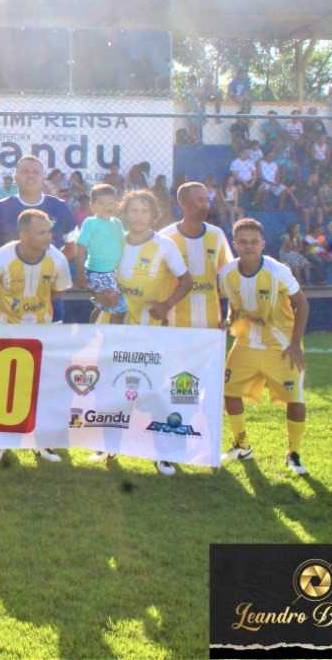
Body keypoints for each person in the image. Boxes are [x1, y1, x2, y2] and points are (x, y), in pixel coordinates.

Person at [96, 190, 193, 476]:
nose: (138, 217)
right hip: (115, 325)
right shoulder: (113, 243)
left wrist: (166, 305)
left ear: (153, 215)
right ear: (123, 214)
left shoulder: (164, 245)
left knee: (154, 393)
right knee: (113, 390)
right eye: (133, 211)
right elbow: (100, 280)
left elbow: (187, 282)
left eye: (144, 211)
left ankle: (163, 454)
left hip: (149, 331)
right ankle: (110, 449)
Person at [0, 209, 71, 465]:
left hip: (42, 336)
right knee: (3, 390)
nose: (48, 236)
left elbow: (58, 293)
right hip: (5, 334)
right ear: (24, 233)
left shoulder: (58, 259)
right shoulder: (0, 258)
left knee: (41, 390)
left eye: (49, 230)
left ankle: (42, 444)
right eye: (42, 232)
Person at [220, 218, 311, 476]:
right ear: (235, 244)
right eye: (243, 242)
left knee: (295, 399)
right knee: (229, 391)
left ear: (262, 244)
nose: (248, 247)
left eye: (253, 242)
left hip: (280, 345)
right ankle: (242, 445)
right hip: (247, 341)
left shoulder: (277, 271)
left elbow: (302, 304)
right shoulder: (226, 273)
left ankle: (293, 454)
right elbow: (235, 304)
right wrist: (229, 320)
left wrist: (295, 343)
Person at [0, 156, 76, 267]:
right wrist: (2, 275)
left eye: (36, 172)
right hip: (11, 282)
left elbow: (73, 249)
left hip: (47, 282)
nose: (30, 175)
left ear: (43, 178)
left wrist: (51, 270)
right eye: (25, 172)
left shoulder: (60, 207)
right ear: (16, 178)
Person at [159, 182, 232, 329]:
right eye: (200, 200)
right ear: (183, 203)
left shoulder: (217, 235)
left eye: (207, 200)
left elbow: (230, 277)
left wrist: (230, 315)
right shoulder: (166, 237)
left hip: (211, 322)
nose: (205, 205)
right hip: (175, 323)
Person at [69, 184, 127, 323]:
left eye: (111, 203)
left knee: (103, 307)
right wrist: (81, 274)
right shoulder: (90, 223)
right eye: (101, 203)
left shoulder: (117, 223)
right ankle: (113, 338)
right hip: (96, 273)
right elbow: (80, 249)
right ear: (92, 206)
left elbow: (124, 244)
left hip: (114, 274)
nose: (107, 207)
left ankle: (93, 328)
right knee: (119, 308)